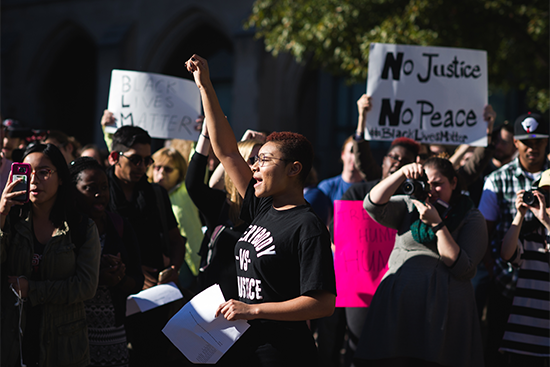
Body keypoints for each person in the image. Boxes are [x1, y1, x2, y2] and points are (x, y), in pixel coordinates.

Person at [186, 54, 336, 366]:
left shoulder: (307, 225)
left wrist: (253, 309)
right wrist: (206, 87)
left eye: (264, 161)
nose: (254, 166)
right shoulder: (261, 206)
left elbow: (322, 303)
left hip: (283, 352)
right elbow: (227, 150)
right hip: (245, 344)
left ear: (294, 169)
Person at [354, 157, 487, 366]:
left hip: (442, 311)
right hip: (398, 307)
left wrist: (437, 225)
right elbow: (372, 204)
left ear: (453, 182)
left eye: (438, 183)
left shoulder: (471, 216)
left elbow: (462, 267)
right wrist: (401, 173)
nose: (432, 190)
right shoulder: (410, 205)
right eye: (427, 183)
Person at [0, 143, 101, 367]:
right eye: (27, 172)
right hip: (14, 341)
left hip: (63, 347)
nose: (34, 180)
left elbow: (85, 286)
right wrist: (1, 213)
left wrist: (32, 289)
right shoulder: (12, 221)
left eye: (44, 172)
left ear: (61, 178)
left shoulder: (81, 227)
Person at [104, 125, 186, 366]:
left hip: (154, 300)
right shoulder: (99, 193)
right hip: (110, 298)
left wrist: (173, 269)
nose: (142, 166)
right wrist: (131, 274)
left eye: (146, 160)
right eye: (135, 159)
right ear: (114, 157)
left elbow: (175, 239)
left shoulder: (156, 194)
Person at [478, 112, 549, 367]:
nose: (533, 147)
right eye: (526, 142)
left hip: (545, 284)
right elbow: (484, 232)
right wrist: (493, 270)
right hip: (508, 282)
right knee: (497, 350)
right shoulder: (497, 179)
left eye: (539, 141)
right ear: (516, 142)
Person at [70, 156, 144, 367]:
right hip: (72, 330)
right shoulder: (64, 229)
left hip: (112, 332)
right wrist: (96, 277)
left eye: (104, 187)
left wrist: (119, 278)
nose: (99, 194)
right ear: (73, 190)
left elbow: (137, 280)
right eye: (89, 188)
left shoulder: (119, 225)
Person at [186, 121, 262, 300]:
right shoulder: (222, 205)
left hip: (252, 307)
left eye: (263, 160)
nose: (258, 166)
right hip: (214, 305)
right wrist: (207, 135)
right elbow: (194, 184)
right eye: (252, 160)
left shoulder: (269, 207)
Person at [498, 172, 550, 366]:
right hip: (524, 337)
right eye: (544, 195)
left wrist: (547, 223)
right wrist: (519, 215)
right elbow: (506, 254)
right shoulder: (530, 234)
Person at [148, 147, 204, 289]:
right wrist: (109, 130)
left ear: (180, 172)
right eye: (157, 167)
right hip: (159, 264)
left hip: (191, 261)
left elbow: (197, 165)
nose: (161, 173)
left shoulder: (186, 192)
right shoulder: (144, 194)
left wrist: (200, 137)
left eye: (167, 169)